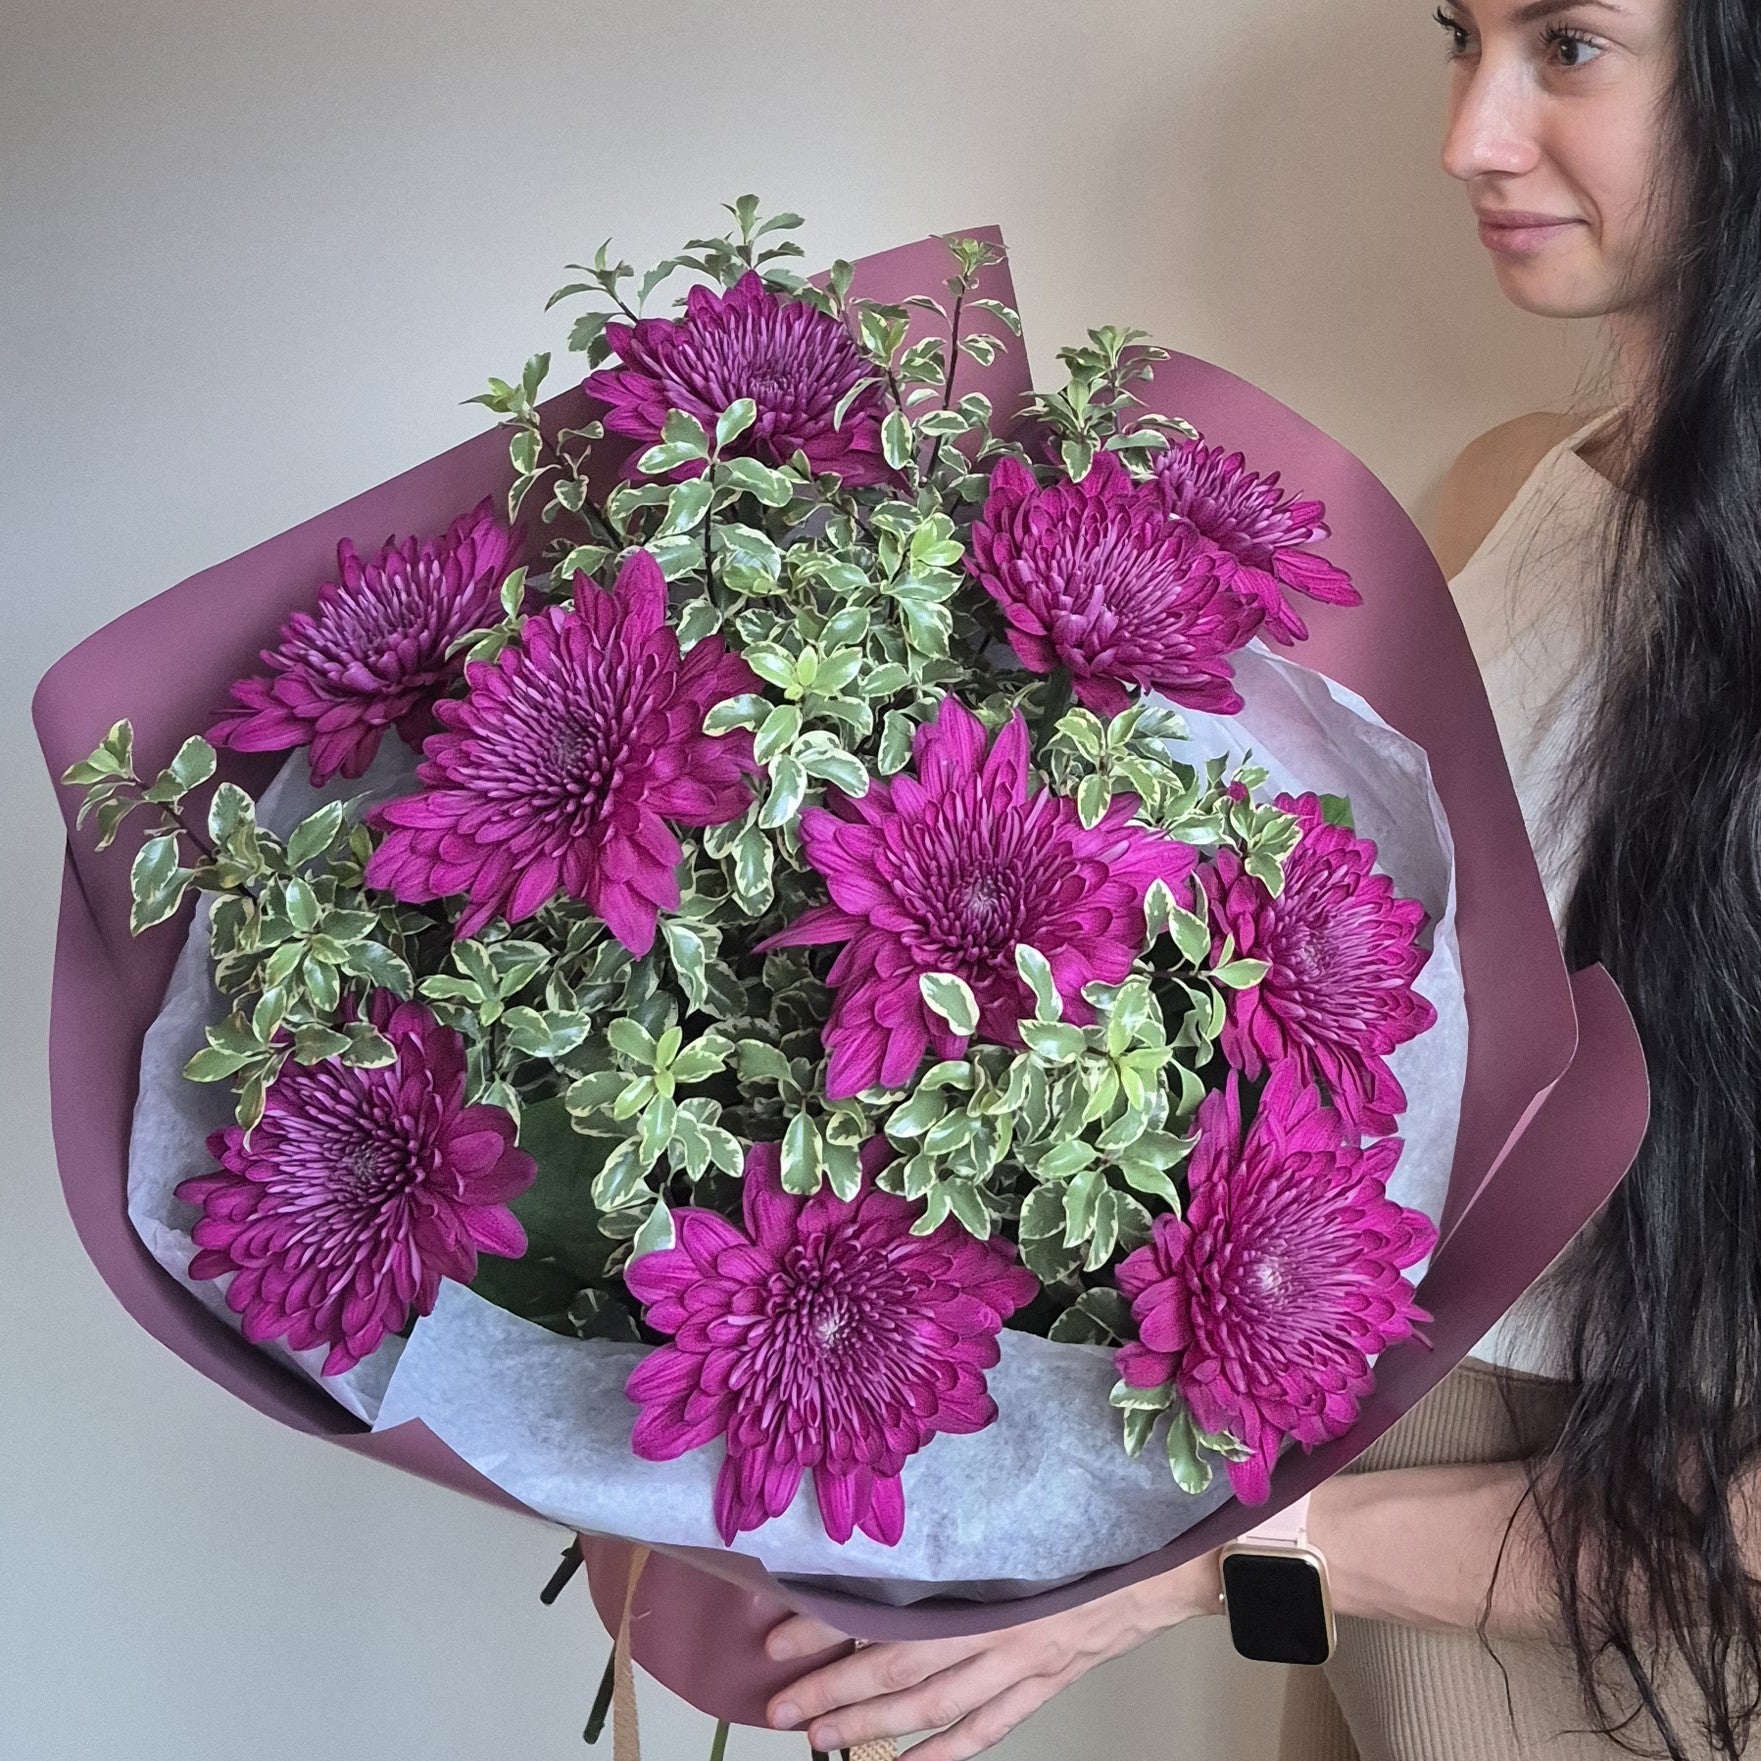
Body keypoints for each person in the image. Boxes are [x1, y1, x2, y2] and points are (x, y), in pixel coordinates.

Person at [761, 1, 1761, 1755]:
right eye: (1459, 35)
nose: (1467, 136)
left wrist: (1205, 1564)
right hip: (1358, 1596)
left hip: (1624, 1657)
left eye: (1569, 44)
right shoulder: (1502, 495)